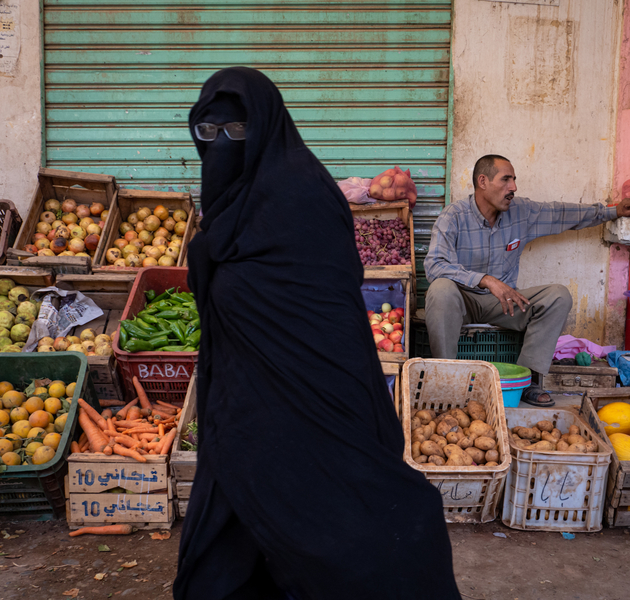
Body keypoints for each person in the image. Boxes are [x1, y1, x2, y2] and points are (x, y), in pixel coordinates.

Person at [174, 67, 460, 600]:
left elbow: (328, 301)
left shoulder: (306, 196)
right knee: (237, 511)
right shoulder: (225, 205)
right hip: (243, 397)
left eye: (236, 132)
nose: (220, 147)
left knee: (349, 513)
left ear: (264, 128)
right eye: (206, 134)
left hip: (318, 384)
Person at [424, 154, 630, 407]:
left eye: (514, 180)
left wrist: (612, 211)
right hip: (461, 301)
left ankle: (527, 381)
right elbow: (434, 266)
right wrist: (486, 280)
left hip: (503, 305)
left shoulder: (522, 212)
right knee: (440, 289)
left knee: (558, 295)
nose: (513, 187)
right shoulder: (453, 216)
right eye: (506, 180)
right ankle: (446, 378)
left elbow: (563, 214)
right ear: (482, 181)